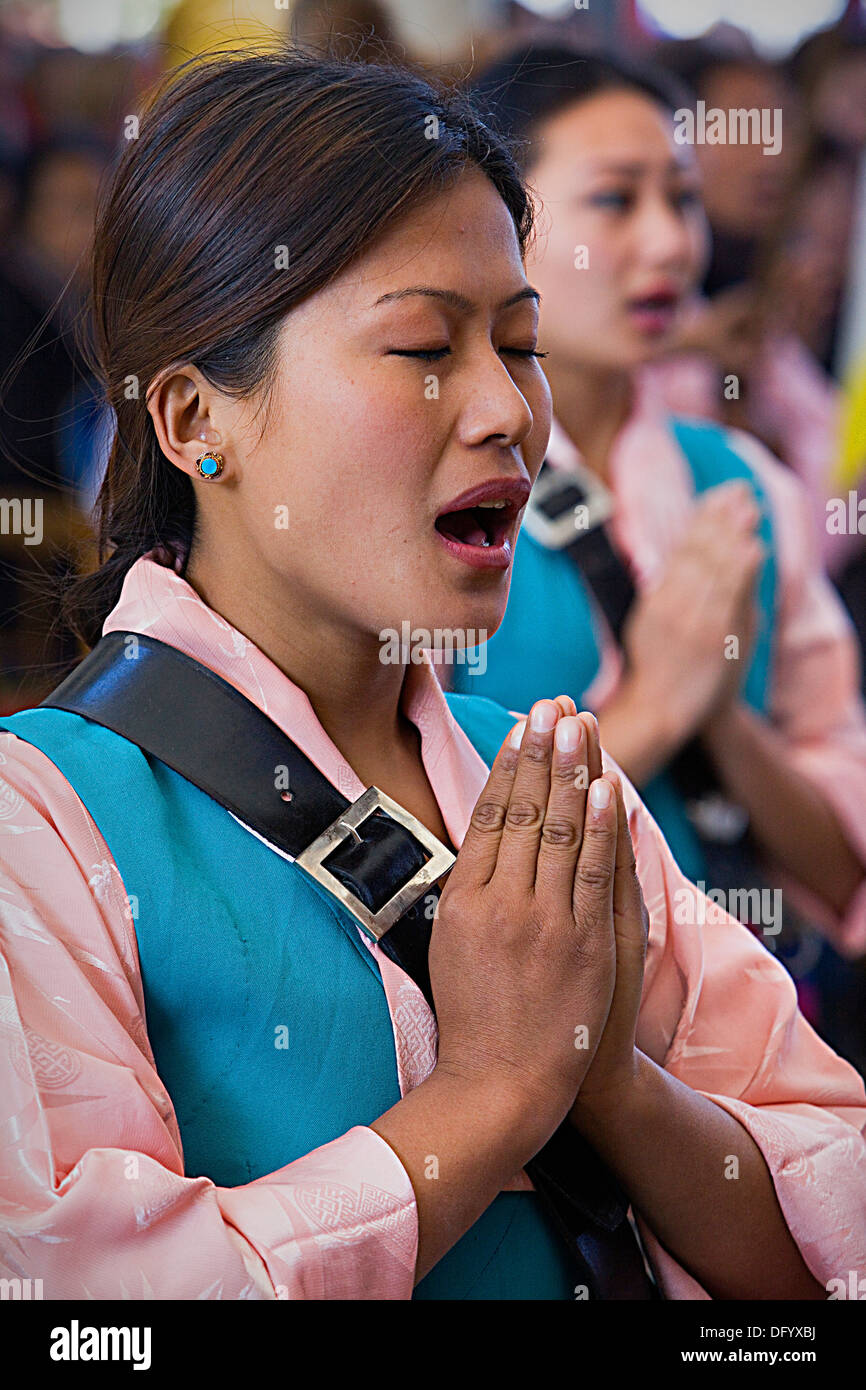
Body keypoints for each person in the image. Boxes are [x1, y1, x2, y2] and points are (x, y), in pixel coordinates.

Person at [0, 47, 863, 1302]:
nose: (506, 410)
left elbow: (830, 1200)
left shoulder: (551, 777)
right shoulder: (41, 826)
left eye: (519, 345)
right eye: (421, 346)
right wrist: (494, 1097)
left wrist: (612, 1081)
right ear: (194, 420)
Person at [457, 47, 866, 1021]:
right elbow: (423, 869)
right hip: (526, 1047)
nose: (667, 244)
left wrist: (722, 718)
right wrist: (655, 701)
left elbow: (844, 866)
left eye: (679, 200)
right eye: (613, 201)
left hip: (741, 1051)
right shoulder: (434, 489)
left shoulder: (740, 484)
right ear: (487, 224)